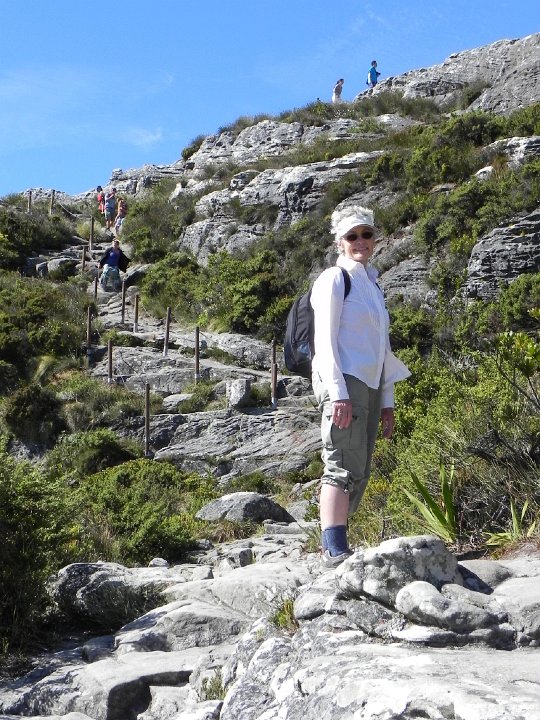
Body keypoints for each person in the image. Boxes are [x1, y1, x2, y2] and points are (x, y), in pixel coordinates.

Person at [310, 205, 410, 567]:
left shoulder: (372, 285)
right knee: (341, 462)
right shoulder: (335, 279)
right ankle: (333, 549)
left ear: (375, 238)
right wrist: (338, 393)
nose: (360, 241)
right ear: (340, 242)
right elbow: (324, 343)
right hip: (344, 379)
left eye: (366, 234)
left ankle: (336, 542)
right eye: (352, 236)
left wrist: (387, 400)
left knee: (360, 468)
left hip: (370, 383)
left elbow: (383, 349)